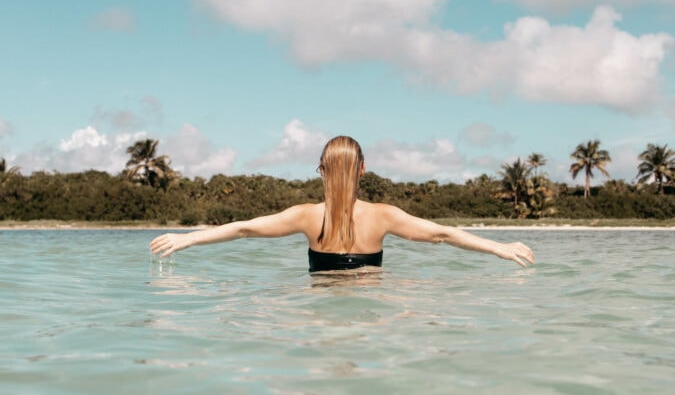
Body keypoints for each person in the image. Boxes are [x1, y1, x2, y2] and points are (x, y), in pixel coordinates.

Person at [150, 135, 534, 270]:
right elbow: (443, 235)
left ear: (320, 170)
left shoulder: (306, 216)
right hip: (372, 308)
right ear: (363, 169)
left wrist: (187, 238)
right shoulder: (383, 216)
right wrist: (501, 248)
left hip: (320, 310)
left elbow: (245, 228)